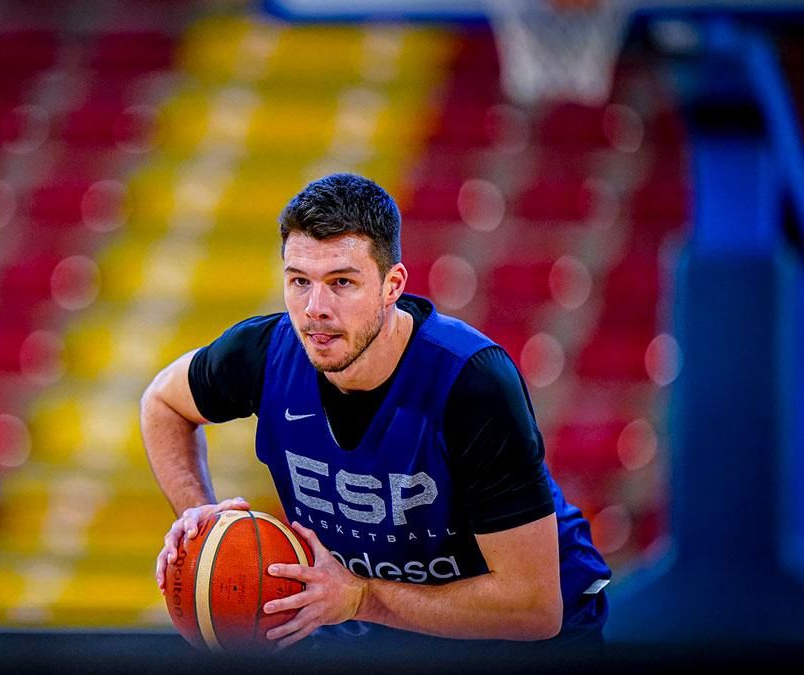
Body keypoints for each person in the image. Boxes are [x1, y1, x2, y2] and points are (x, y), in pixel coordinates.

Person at [141, 173, 611, 649]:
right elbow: (162, 402)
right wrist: (197, 516)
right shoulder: (262, 354)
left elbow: (532, 607)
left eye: (341, 282)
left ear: (392, 286)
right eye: (299, 281)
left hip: (532, 642)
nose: (314, 308)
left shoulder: (472, 382)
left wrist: (364, 598)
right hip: (389, 623)